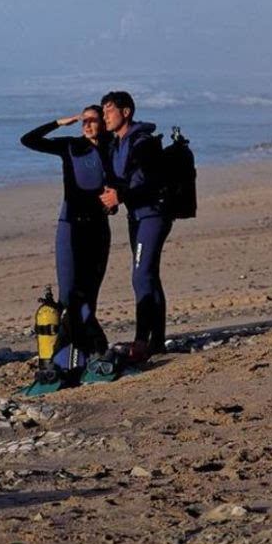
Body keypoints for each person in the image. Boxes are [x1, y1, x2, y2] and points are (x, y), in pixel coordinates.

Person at [20, 106, 113, 364]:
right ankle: (67, 353)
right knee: (69, 295)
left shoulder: (112, 148)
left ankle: (87, 352)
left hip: (99, 228)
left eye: (93, 120)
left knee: (90, 294)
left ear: (103, 123)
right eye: (84, 121)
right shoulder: (71, 146)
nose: (87, 125)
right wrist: (59, 123)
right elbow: (28, 140)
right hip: (71, 227)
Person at [98, 90, 170, 363]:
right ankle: (157, 341)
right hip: (136, 216)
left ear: (126, 112)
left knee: (141, 276)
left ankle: (141, 342)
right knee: (149, 276)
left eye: (109, 111)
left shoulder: (143, 142)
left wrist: (121, 195)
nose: (105, 116)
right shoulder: (116, 144)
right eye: (103, 112)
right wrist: (113, 200)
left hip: (153, 214)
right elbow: (123, 180)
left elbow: (151, 181)